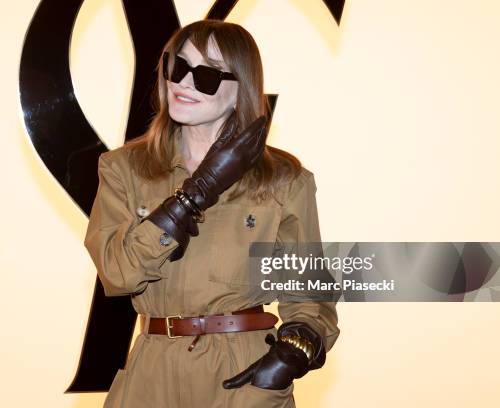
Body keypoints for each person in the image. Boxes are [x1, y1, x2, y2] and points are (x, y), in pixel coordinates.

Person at [84, 20, 340, 408]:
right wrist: (194, 195)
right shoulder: (124, 169)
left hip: (243, 372)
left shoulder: (284, 180)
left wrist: (288, 357)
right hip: (152, 371)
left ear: (242, 91)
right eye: (178, 66)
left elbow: (309, 297)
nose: (184, 83)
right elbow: (118, 273)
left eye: (206, 74)